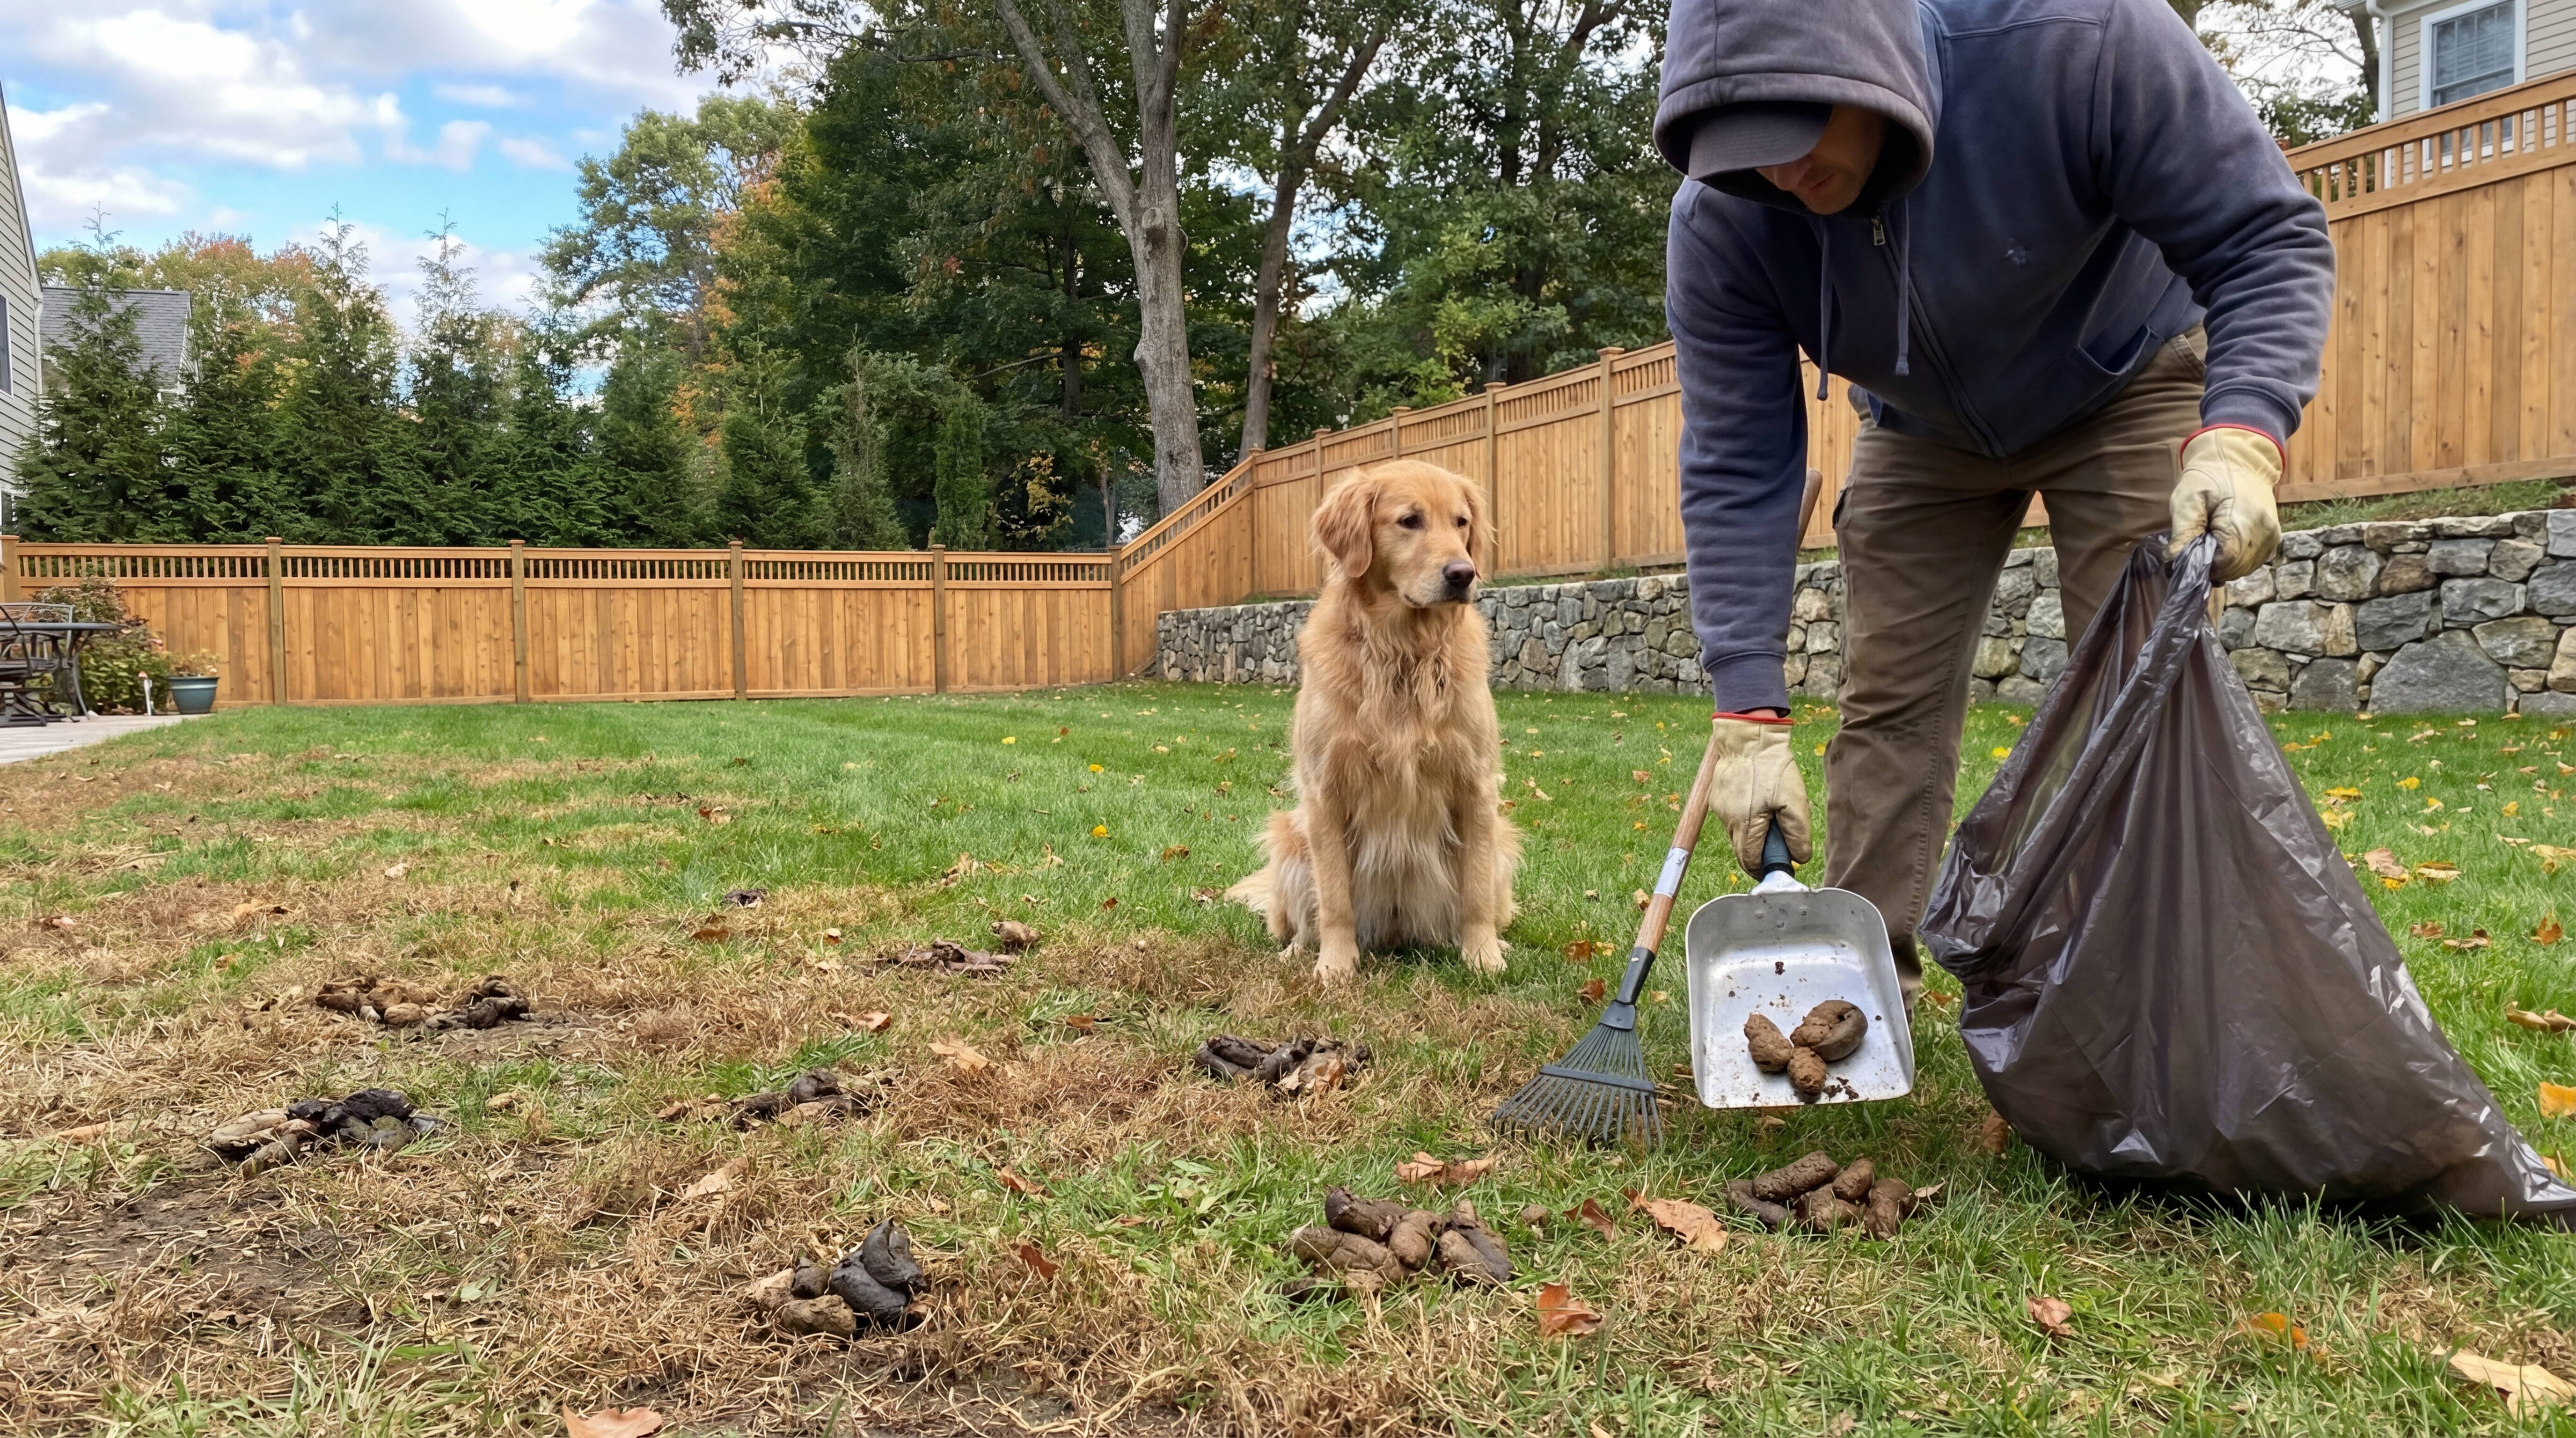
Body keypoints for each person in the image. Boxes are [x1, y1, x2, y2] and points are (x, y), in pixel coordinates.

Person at [1658, 0, 2335, 995]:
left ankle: (2125, 985)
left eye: (1799, 134)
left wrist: (2241, 431)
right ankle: (1855, 980)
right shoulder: (1725, 221)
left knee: (2141, 673)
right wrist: (1746, 706)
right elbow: (1735, 458)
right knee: (1887, 699)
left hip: (2123, 372)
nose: (1781, 175)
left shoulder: (2080, 44)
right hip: (1918, 424)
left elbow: (2265, 237)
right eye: (1748, 152)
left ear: (1869, 66)